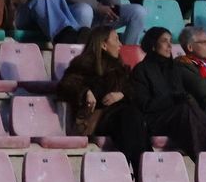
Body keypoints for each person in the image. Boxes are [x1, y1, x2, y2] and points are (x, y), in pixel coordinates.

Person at [57, 24, 148, 160]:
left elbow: (134, 89)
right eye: (116, 39)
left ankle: (140, 167)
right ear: (103, 45)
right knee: (129, 117)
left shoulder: (121, 68)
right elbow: (65, 86)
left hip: (121, 116)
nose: (120, 44)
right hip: (97, 118)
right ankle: (141, 168)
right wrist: (85, 91)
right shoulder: (84, 64)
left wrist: (122, 95)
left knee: (133, 117)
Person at [130, 26, 206, 158]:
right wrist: (172, 99)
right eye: (164, 41)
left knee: (188, 101)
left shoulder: (173, 68)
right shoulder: (141, 70)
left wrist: (178, 98)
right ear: (152, 45)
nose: (169, 45)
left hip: (175, 116)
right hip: (153, 120)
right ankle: (205, 153)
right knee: (184, 109)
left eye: (170, 41)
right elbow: (144, 105)